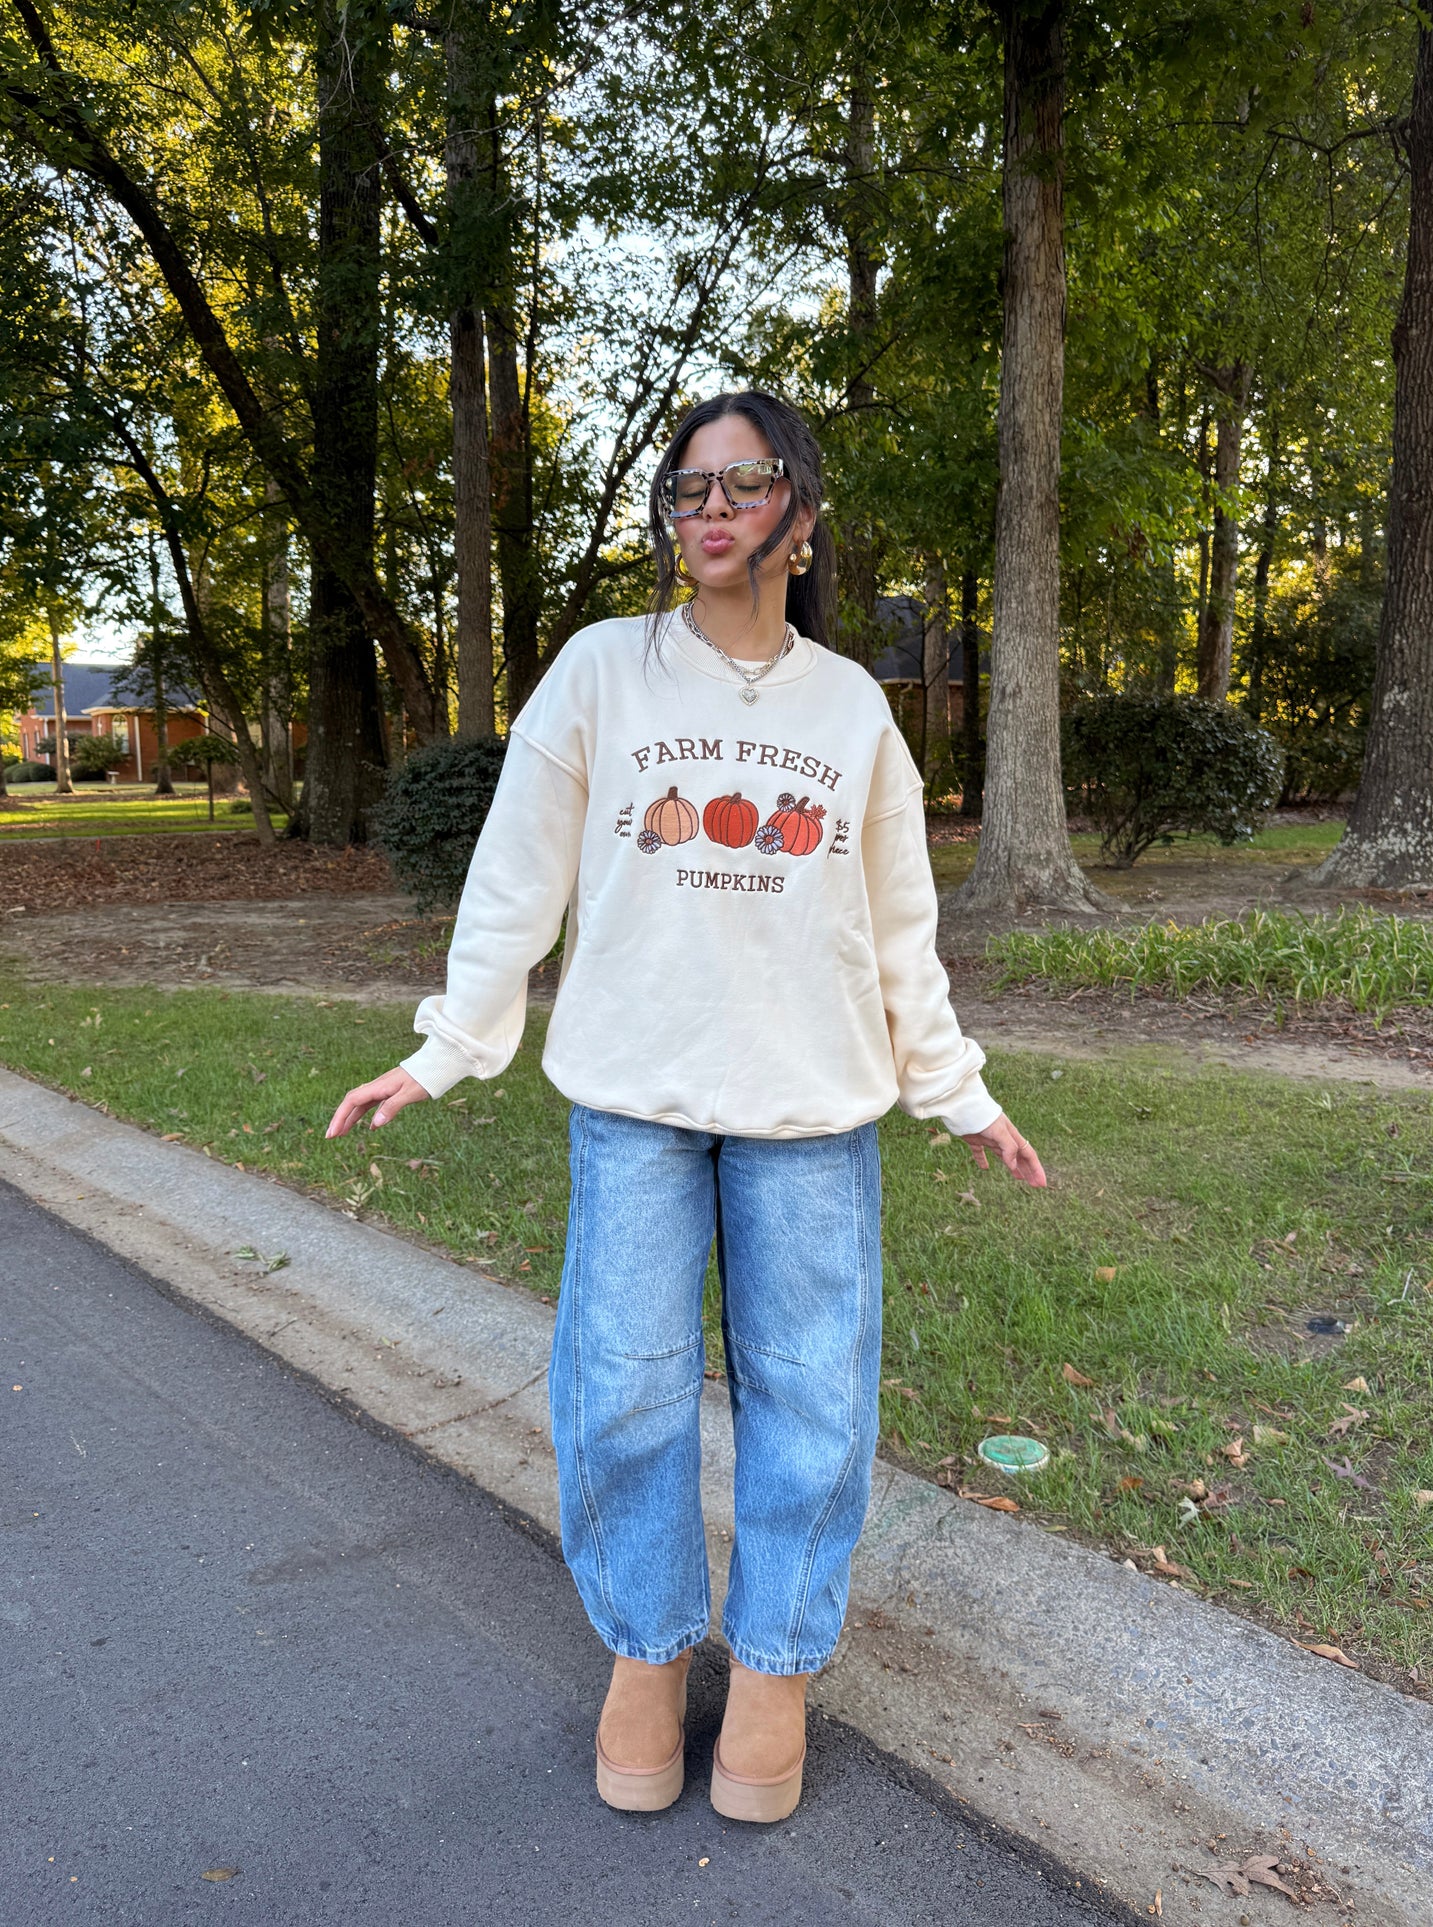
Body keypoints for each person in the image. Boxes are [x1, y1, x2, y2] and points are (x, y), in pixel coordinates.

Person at [327, 389, 1046, 1825]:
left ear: (801, 515)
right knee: (624, 1390)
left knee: (813, 1408)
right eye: (686, 489)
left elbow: (896, 925)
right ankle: (647, 1659)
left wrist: (954, 1091)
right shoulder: (600, 672)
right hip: (634, 1098)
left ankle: (771, 1669)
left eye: (740, 483)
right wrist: (450, 1043)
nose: (707, 511)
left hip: (812, 1109)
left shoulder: (852, 711)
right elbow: (516, 876)